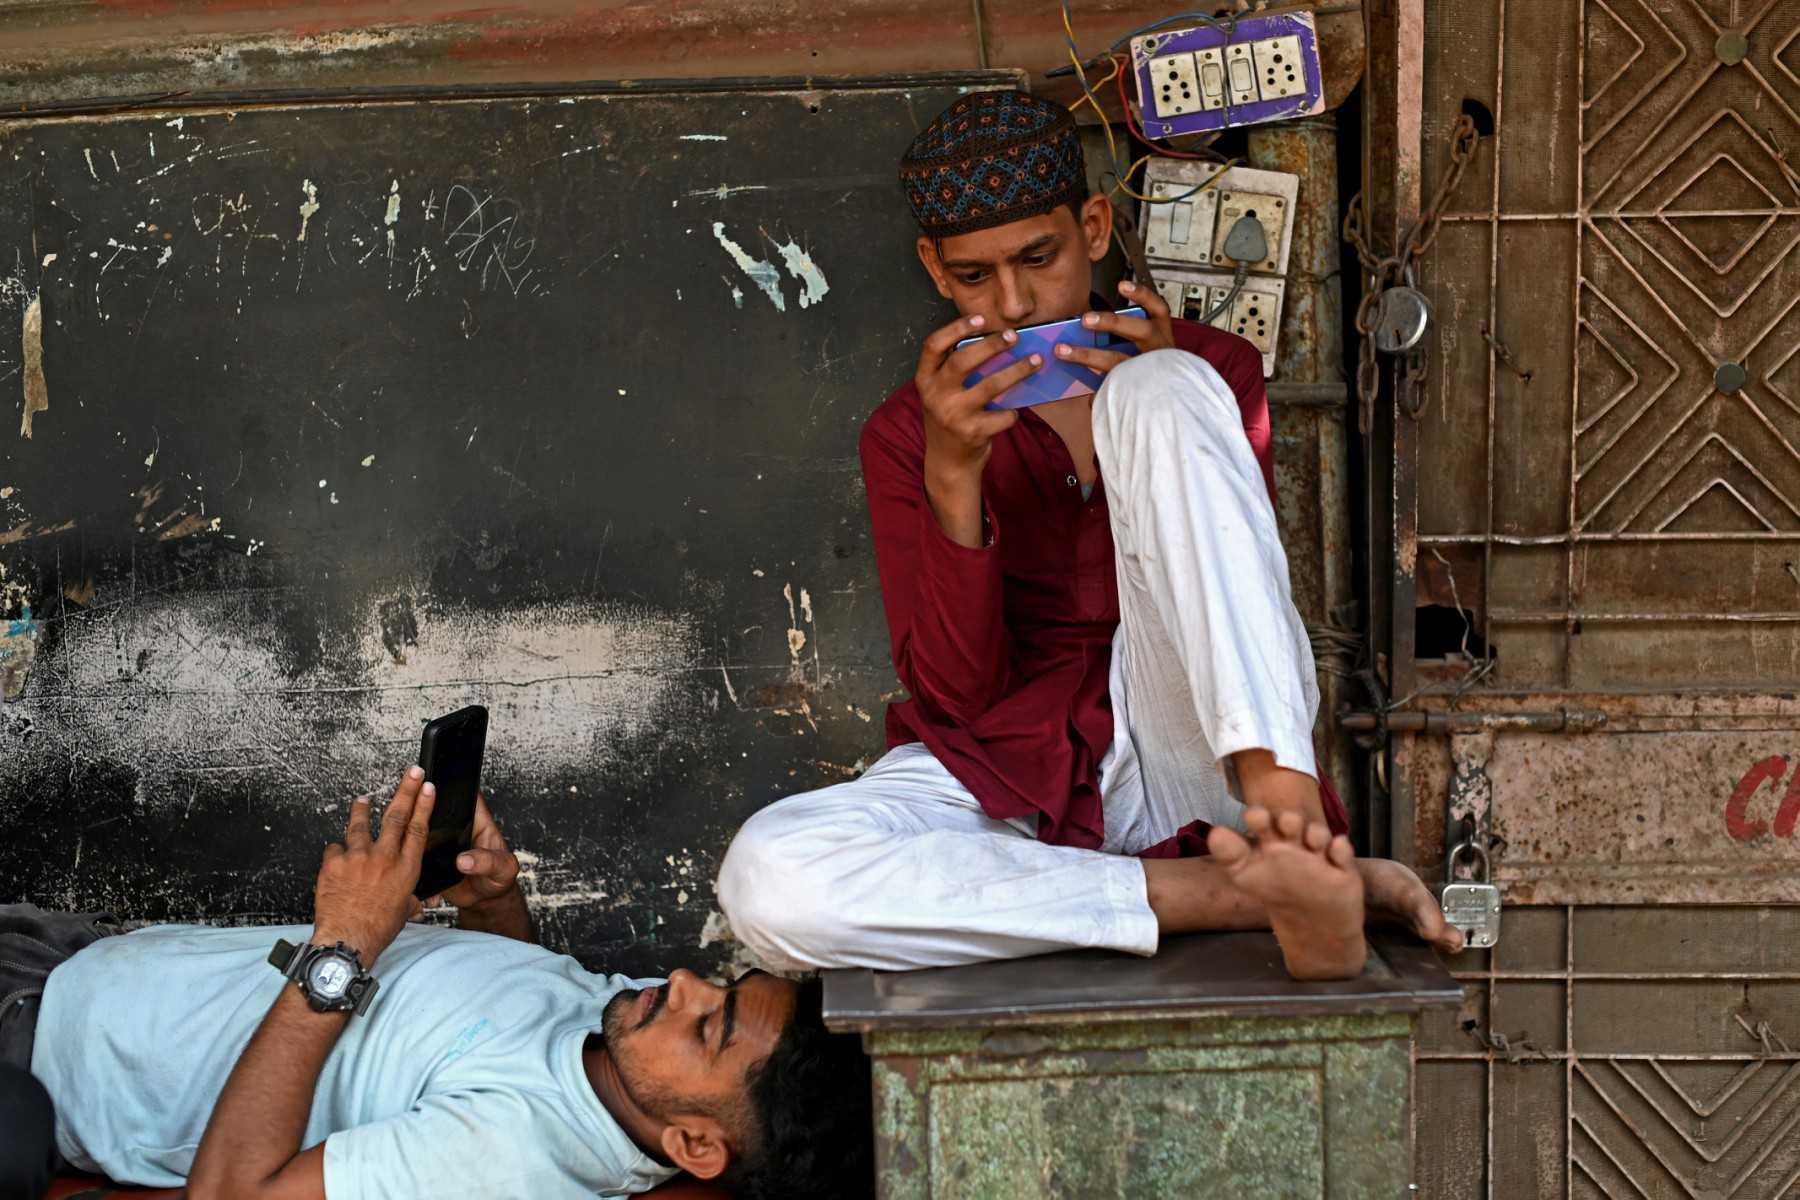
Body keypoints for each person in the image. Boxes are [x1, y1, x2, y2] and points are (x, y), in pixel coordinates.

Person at [719, 88, 1463, 982]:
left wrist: (1163, 400)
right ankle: (1241, 894)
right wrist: (952, 475)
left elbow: (1238, 602)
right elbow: (958, 700)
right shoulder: (910, 431)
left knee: (1166, 389)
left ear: (1097, 226)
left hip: (1199, 740)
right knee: (772, 879)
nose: (1015, 301)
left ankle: (1293, 833)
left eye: (1041, 257)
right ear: (931, 266)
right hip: (1009, 771)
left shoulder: (1205, 368)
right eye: (972, 277)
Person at [1, 768, 872, 1200]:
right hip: (75, 956)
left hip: (41, 1055)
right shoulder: (628, 1041)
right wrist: (498, 906)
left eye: (708, 1028)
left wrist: (345, 941)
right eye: (718, 989)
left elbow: (233, 1197)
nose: (683, 982)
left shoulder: (502, 1162)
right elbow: (507, 1033)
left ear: (693, 1147)